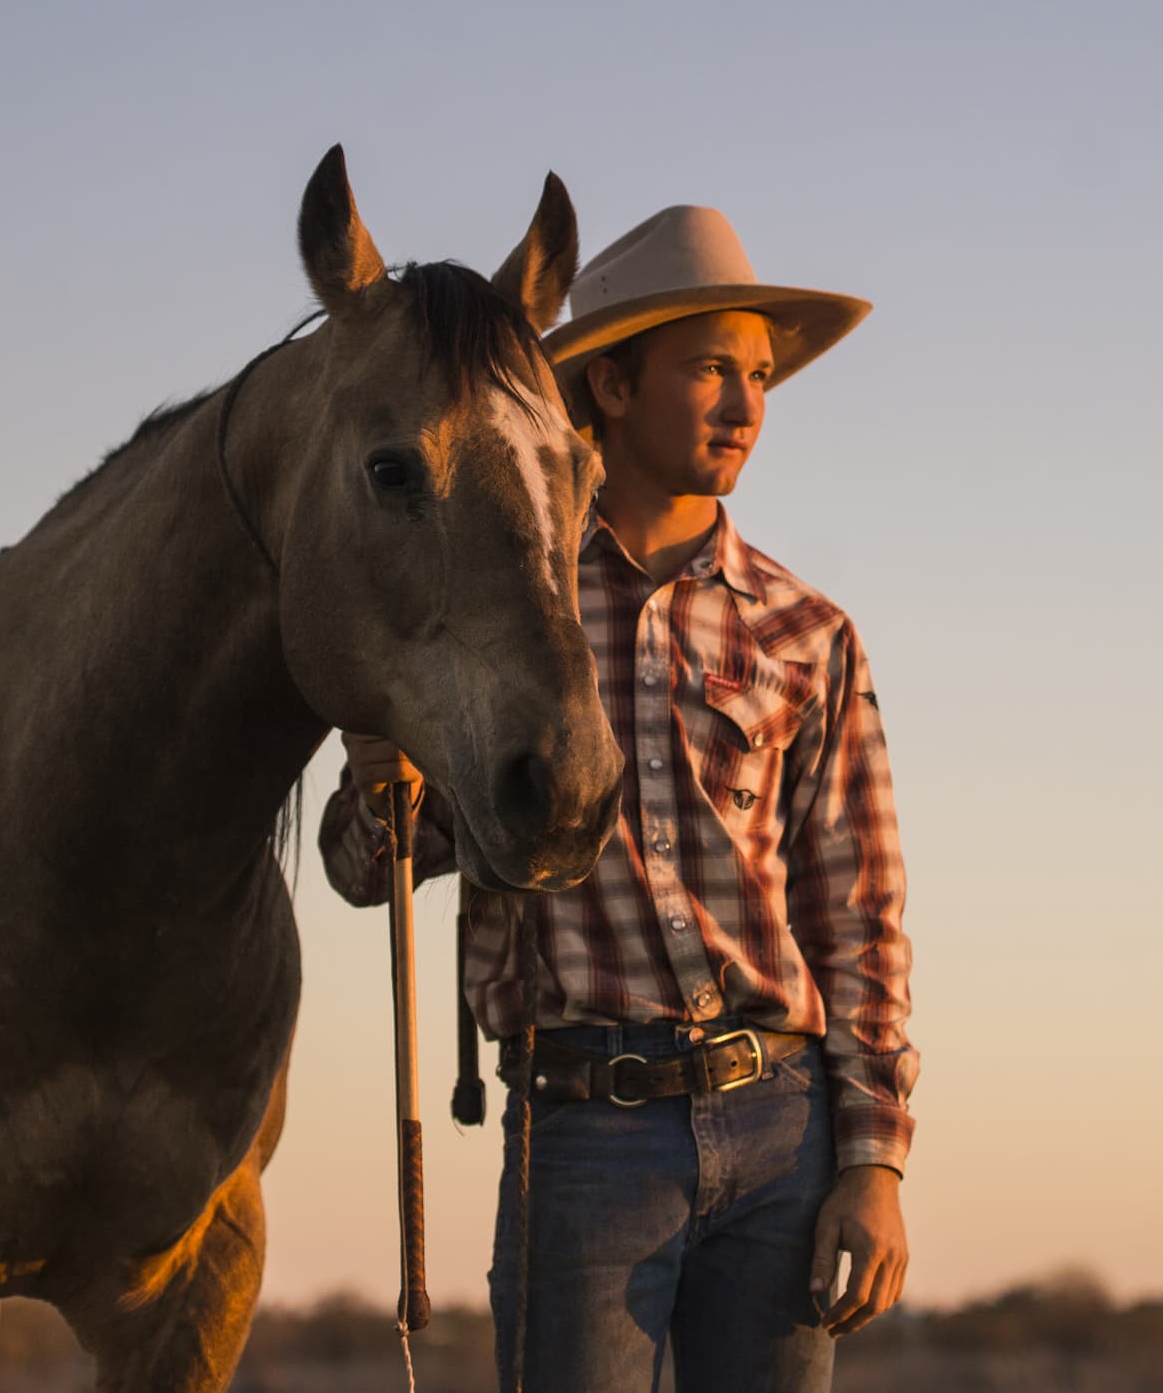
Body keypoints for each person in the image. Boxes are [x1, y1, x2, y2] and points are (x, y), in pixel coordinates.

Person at [318, 204, 917, 1392]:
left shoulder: (809, 633)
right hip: (581, 1128)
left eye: (759, 374)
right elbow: (359, 863)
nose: (748, 403)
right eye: (710, 370)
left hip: (784, 1125)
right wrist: (383, 772)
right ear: (609, 387)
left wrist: (875, 1163)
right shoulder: (499, 609)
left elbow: (858, 916)